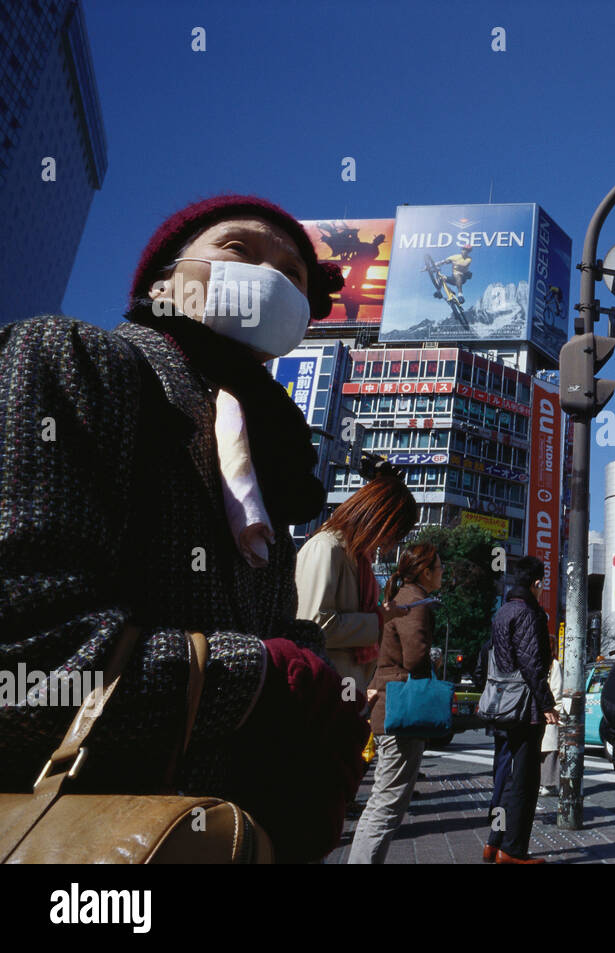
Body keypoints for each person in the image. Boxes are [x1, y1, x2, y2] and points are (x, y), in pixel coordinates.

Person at [0, 195, 370, 862]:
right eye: (241, 250)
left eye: (294, 275)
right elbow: (24, 658)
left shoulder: (271, 463)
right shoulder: (72, 359)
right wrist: (267, 675)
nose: (272, 278)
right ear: (163, 282)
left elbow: (265, 630)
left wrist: (314, 688)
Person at [348, 544, 443, 863]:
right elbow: (415, 657)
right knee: (387, 806)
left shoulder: (400, 598)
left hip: (390, 704)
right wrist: (433, 658)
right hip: (400, 709)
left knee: (383, 803)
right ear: (426, 572)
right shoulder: (415, 602)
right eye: (439, 568)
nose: (443, 573)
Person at [295, 474, 417, 701]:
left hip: (343, 692)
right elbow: (313, 625)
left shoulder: (358, 560)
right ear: (377, 518)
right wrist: (377, 618)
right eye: (392, 534)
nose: (389, 545)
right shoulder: (327, 548)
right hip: (320, 692)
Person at [483, 556, 558, 864]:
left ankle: (493, 841)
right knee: (525, 779)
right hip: (524, 707)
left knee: (506, 777)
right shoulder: (530, 614)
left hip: (502, 703)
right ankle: (512, 851)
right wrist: (547, 703)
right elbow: (532, 664)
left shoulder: (503, 611)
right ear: (536, 583)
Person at [539, 631, 563, 796]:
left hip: (545, 712)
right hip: (546, 711)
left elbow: (556, 690)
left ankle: (547, 784)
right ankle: (546, 783)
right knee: (546, 750)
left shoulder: (550, 664)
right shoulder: (550, 664)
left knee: (547, 750)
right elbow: (557, 690)